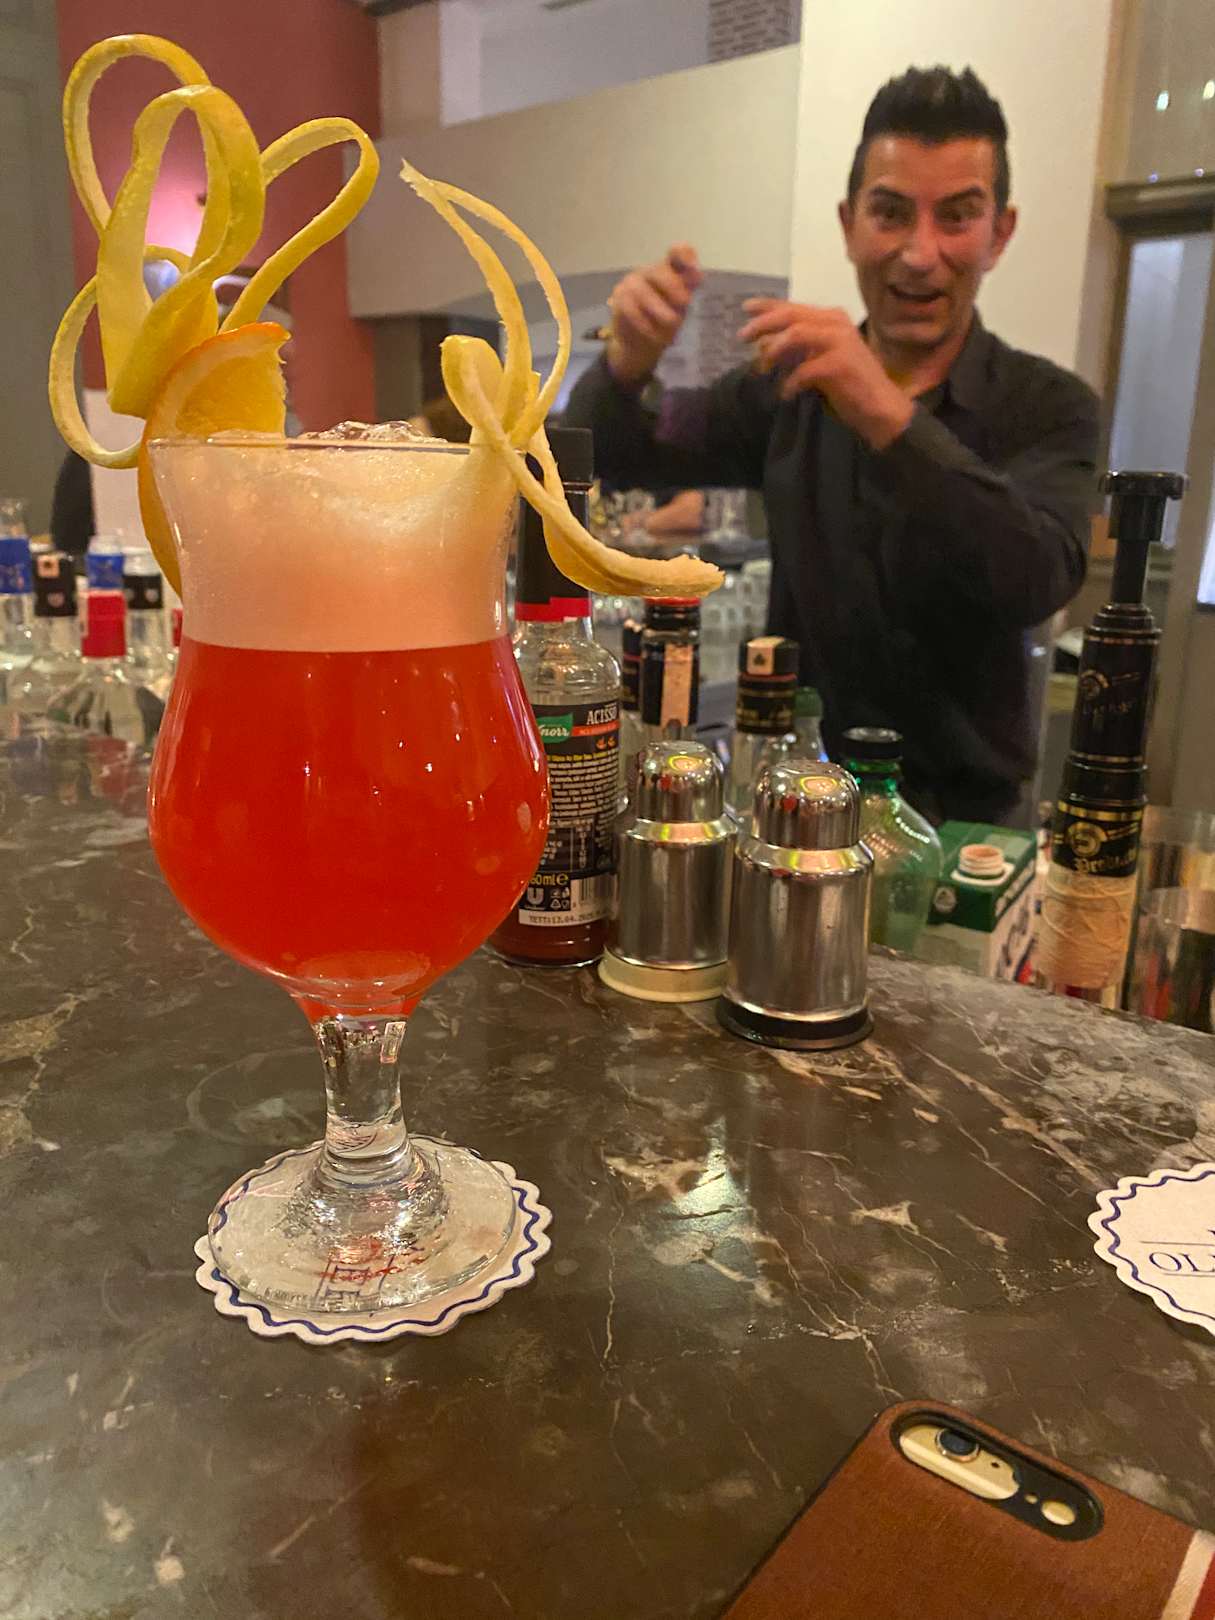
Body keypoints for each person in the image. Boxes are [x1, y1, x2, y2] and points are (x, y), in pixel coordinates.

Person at [564, 66, 1099, 823]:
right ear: (850, 223)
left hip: (970, 823)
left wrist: (885, 414)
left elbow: (1036, 577)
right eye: (890, 213)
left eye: (956, 216)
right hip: (798, 806)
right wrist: (626, 363)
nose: (919, 253)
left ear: (999, 233)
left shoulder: (1048, 405)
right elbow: (621, 452)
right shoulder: (789, 386)